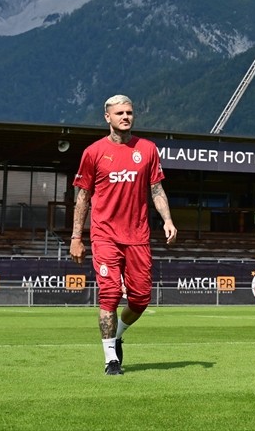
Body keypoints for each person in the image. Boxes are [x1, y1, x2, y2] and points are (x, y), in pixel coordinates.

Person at [70, 95, 177, 375]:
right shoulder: (93, 152)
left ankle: (117, 333)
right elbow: (82, 198)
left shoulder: (148, 149)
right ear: (107, 117)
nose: (125, 117)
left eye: (129, 112)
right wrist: (76, 238)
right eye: (119, 113)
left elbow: (156, 189)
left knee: (141, 299)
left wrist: (167, 219)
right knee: (110, 294)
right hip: (105, 235)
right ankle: (111, 360)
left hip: (138, 236)